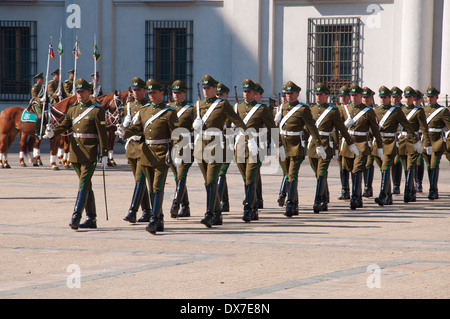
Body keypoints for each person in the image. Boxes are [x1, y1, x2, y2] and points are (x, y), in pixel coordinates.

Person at [43, 78, 109, 230]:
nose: (79, 95)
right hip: (75, 152)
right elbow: (65, 124)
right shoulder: (73, 109)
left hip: (90, 152)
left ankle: (76, 216)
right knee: (86, 184)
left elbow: (102, 134)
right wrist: (53, 132)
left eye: (82, 92)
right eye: (78, 92)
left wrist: (104, 153)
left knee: (84, 182)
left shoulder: (97, 110)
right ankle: (91, 218)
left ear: (89, 93)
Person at [117, 79, 177, 234]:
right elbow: (138, 128)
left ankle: (154, 219)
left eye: (154, 92)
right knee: (151, 188)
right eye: (149, 93)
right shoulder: (144, 111)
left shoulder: (169, 112)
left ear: (162, 93)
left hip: (162, 154)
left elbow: (176, 136)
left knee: (157, 187)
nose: (151, 95)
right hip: (146, 154)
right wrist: (125, 132)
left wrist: (175, 153)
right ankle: (160, 219)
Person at [193, 74, 247, 228]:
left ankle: (209, 214)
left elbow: (238, 121)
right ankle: (217, 214)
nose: (206, 91)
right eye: (204, 88)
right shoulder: (198, 105)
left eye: (209, 88)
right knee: (207, 183)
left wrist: (249, 139)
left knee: (211, 181)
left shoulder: (222, 105)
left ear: (215, 89)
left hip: (217, 147)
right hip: (201, 147)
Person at [277, 81, 324, 217]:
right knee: (288, 174)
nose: (289, 96)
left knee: (292, 174)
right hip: (283, 146)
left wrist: (318, 144)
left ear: (297, 94)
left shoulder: (303, 109)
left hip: (295, 146)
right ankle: (295, 204)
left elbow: (311, 127)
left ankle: (290, 204)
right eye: (287, 93)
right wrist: (277, 144)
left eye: (291, 93)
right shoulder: (281, 108)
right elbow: (275, 128)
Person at [309, 82, 358, 213]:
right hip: (313, 146)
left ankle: (318, 200)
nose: (318, 97)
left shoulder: (332, 110)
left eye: (321, 94)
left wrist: (349, 143)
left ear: (326, 96)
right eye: (316, 94)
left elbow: (340, 128)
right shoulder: (311, 109)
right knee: (318, 174)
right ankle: (325, 197)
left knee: (321, 173)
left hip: (325, 145)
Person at [234, 79, 276, 222]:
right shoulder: (237, 107)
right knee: (245, 179)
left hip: (255, 147)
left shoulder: (262, 109)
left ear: (254, 93)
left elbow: (272, 127)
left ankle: (248, 208)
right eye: (244, 92)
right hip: (240, 148)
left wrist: (279, 146)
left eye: (249, 92)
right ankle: (254, 207)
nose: (246, 94)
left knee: (250, 177)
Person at [373, 86, 420, 206]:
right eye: (381, 97)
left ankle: (382, 195)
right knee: (383, 169)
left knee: (385, 168)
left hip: (390, 143)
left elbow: (407, 125)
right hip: (377, 144)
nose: (383, 100)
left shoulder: (396, 111)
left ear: (389, 98)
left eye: (385, 97)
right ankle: (388, 196)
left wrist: (416, 141)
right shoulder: (376, 111)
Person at [340, 86, 383, 210]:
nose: (353, 97)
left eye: (356, 95)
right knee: (348, 168)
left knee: (357, 169)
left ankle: (355, 197)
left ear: (360, 96)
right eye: (352, 95)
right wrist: (344, 126)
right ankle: (357, 196)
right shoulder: (345, 109)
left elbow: (375, 130)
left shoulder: (368, 111)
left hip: (361, 144)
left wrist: (379, 146)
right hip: (348, 144)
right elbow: (338, 128)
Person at [122, 77, 152, 224]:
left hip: (143, 146)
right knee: (138, 180)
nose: (135, 92)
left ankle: (132, 211)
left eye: (138, 90)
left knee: (140, 179)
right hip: (131, 147)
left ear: (145, 91)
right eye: (133, 90)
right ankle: (147, 211)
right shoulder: (128, 106)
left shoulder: (149, 106)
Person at [398, 87, 431, 202]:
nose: (407, 99)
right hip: (402, 141)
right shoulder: (400, 110)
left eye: (409, 97)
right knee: (406, 166)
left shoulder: (418, 111)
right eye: (405, 97)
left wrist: (426, 142)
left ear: (413, 98)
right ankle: (412, 191)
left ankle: (407, 191)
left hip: (413, 141)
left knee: (411, 165)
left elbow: (424, 127)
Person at [168, 80, 195, 218]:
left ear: (185, 93)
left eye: (179, 93)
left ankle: (175, 204)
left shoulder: (191, 109)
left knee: (181, 175)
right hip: (172, 146)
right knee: (176, 177)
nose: (176, 95)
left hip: (185, 145)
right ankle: (186, 207)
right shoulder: (168, 107)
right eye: (174, 92)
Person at [422, 86, 450, 200]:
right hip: (426, 141)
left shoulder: (442, 111)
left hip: (437, 140)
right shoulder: (423, 110)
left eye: (432, 96)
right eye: (428, 97)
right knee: (429, 166)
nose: (429, 99)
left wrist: (446, 141)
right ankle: (433, 187)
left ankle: (433, 190)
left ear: (437, 97)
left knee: (434, 164)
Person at [216, 82, 232, 213]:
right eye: (217, 94)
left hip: (228, 145)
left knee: (221, 172)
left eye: (221, 94)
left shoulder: (230, 109)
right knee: (221, 173)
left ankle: (217, 201)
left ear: (227, 95)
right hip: (215, 145)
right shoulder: (213, 109)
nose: (219, 96)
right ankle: (225, 202)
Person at [337, 85, 351, 200]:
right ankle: (344, 189)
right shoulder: (336, 109)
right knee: (342, 166)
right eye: (341, 96)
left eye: (344, 96)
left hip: (350, 141)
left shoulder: (351, 109)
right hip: (340, 141)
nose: (342, 98)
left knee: (350, 166)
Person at [390, 86, 405, 195]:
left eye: (397, 97)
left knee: (398, 161)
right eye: (393, 97)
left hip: (401, 138)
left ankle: (396, 185)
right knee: (390, 162)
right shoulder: (387, 109)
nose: (395, 99)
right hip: (390, 138)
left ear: (400, 97)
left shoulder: (404, 109)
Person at [414, 90, 426, 192]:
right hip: (409, 138)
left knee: (419, 160)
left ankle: (418, 182)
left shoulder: (424, 110)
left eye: (417, 99)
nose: (415, 101)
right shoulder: (407, 110)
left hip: (420, 137)